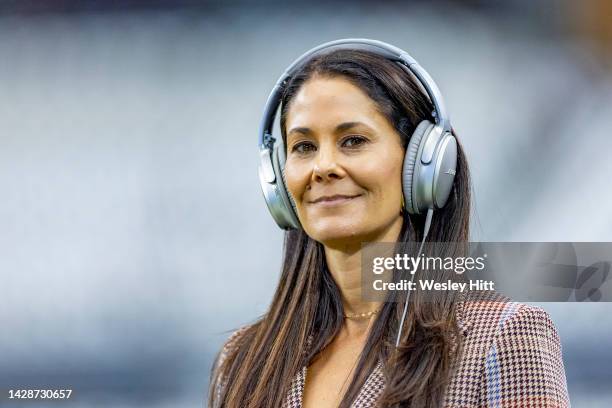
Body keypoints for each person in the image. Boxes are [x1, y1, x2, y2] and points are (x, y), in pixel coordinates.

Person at [208, 40, 570, 408]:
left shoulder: (502, 338)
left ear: (423, 165)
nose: (323, 167)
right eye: (304, 147)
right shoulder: (242, 360)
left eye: (353, 141)